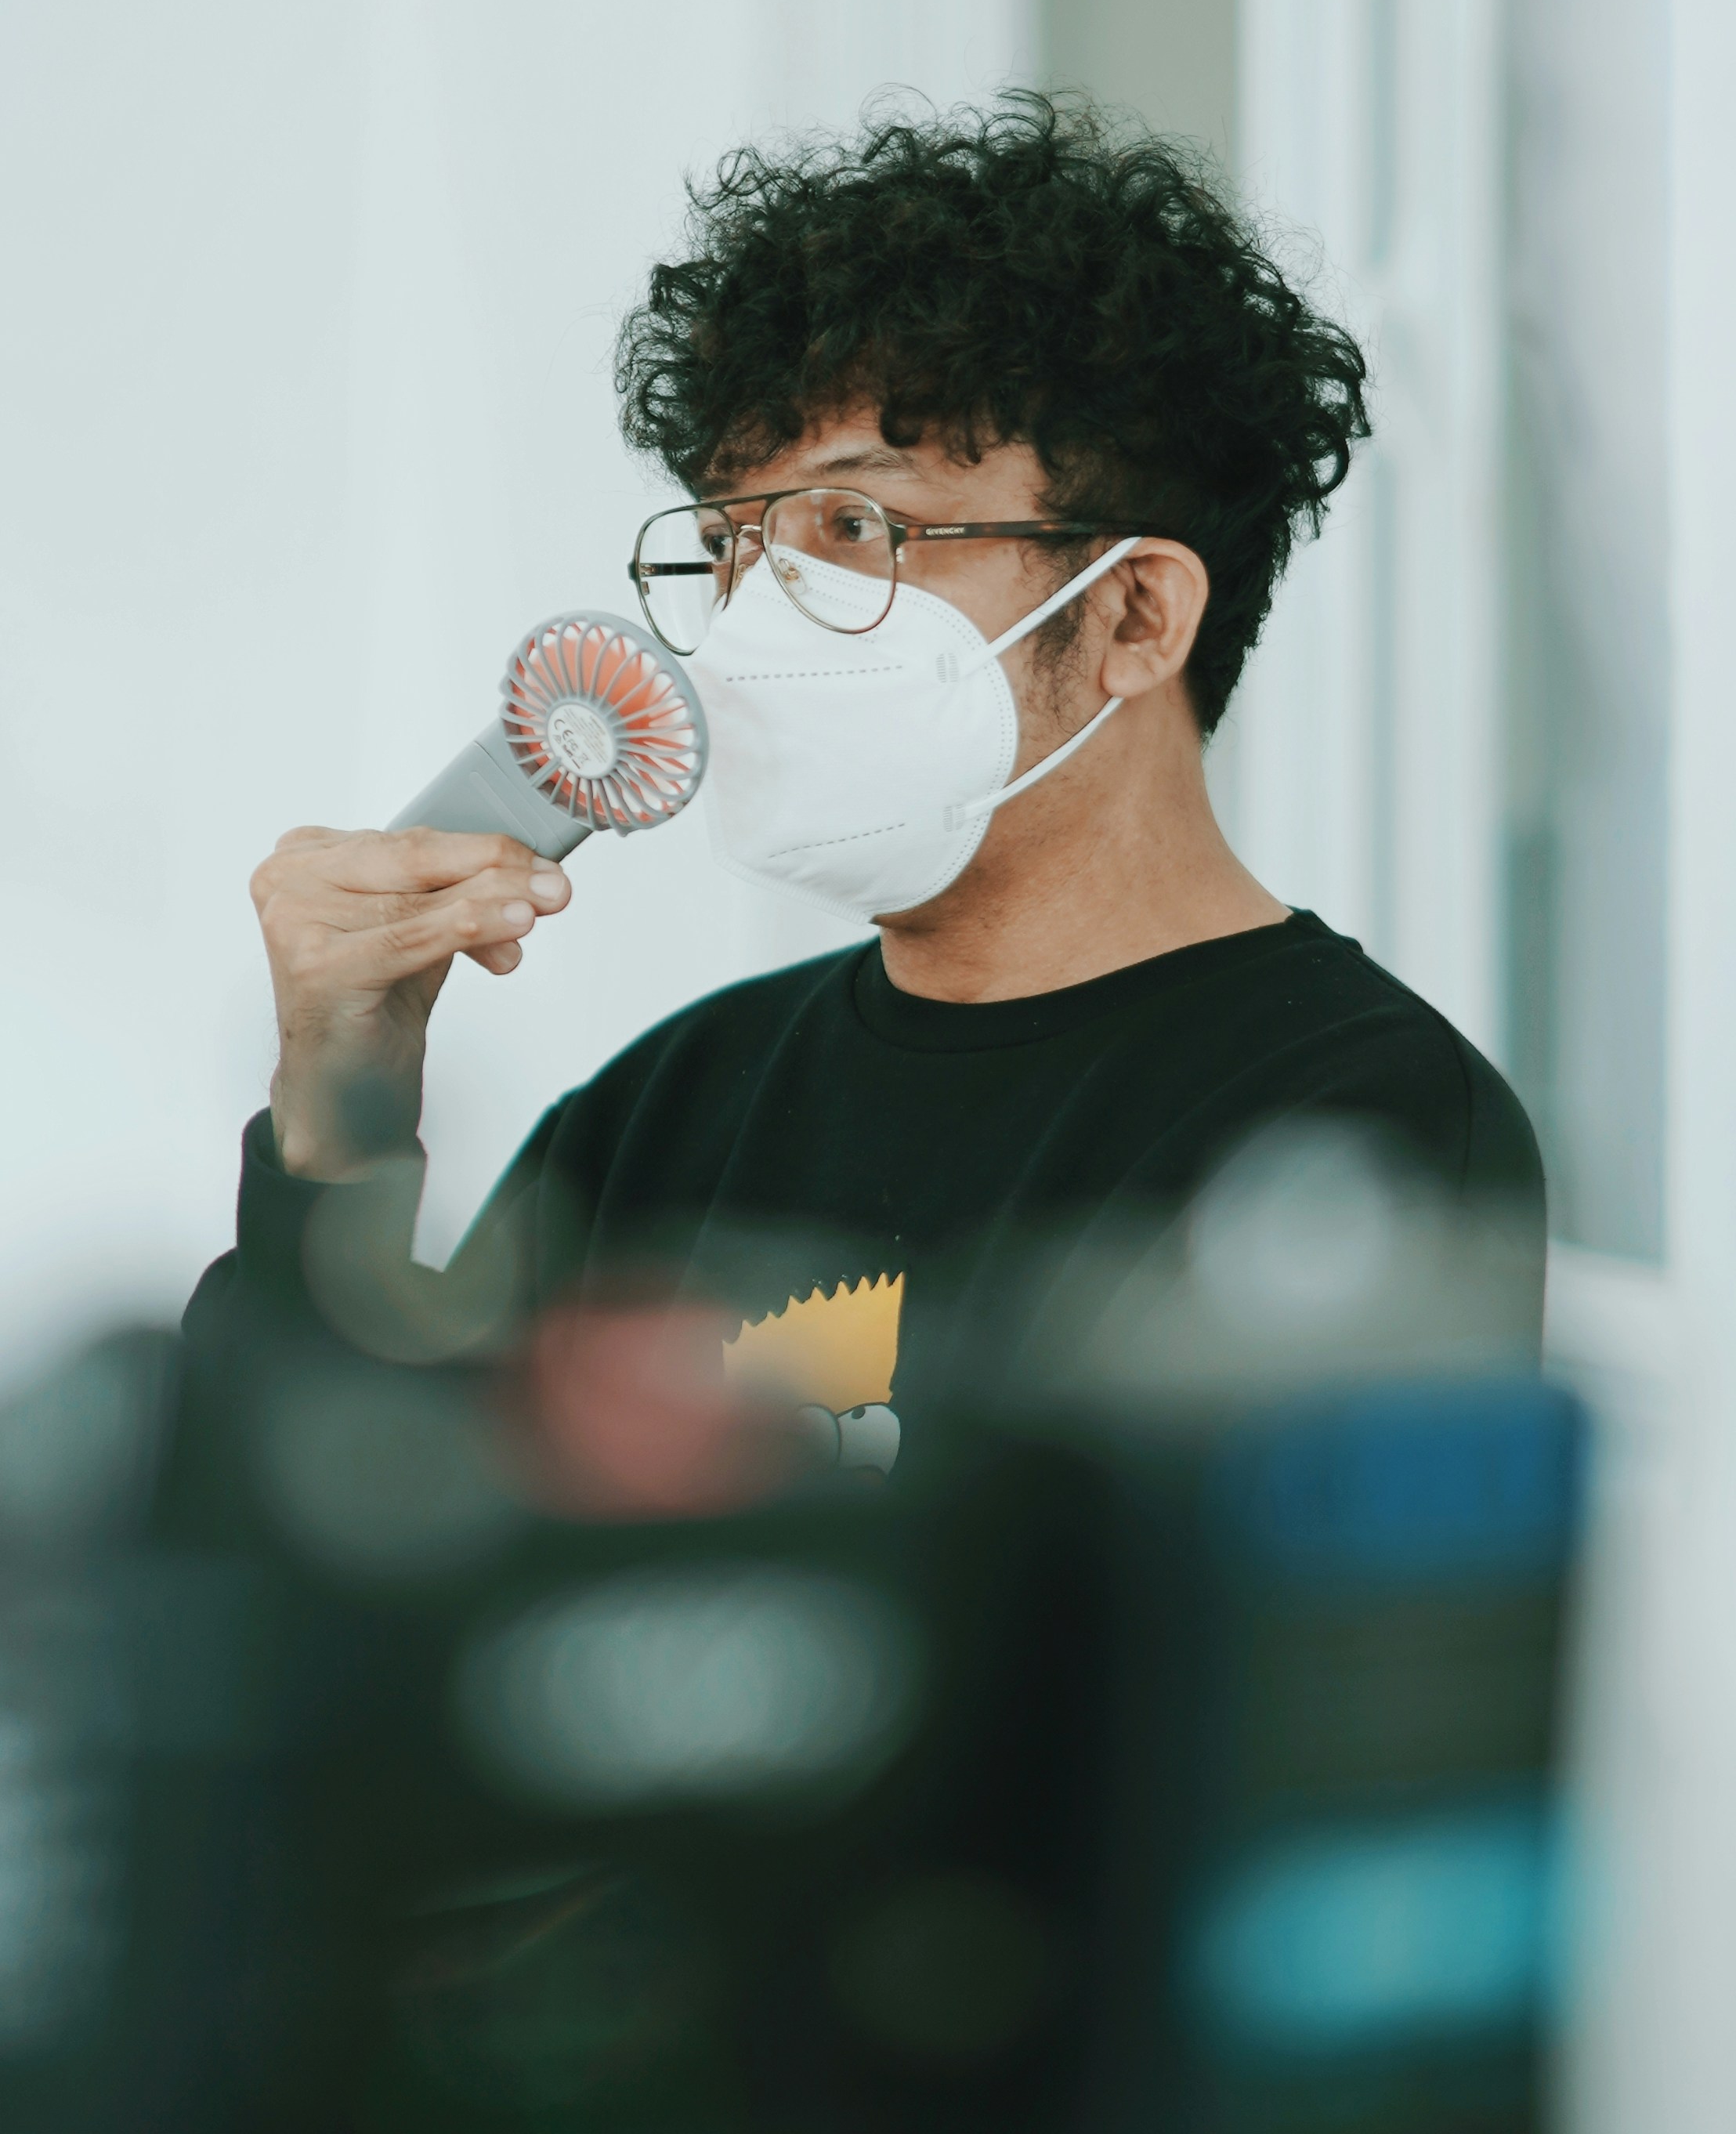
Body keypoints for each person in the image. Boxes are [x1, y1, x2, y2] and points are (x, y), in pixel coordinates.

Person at [190, 98, 1543, 1443]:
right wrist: (338, 1107)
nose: (761, 608)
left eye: (855, 523)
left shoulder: (1355, 1125)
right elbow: (315, 1571)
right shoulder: (670, 1110)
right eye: (733, 544)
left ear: (1137, 616)